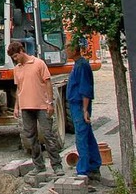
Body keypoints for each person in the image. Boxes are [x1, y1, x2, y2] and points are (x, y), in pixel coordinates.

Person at [7, 41, 64, 176]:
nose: (15, 60)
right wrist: (16, 107)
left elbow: (48, 82)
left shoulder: (38, 63)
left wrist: (50, 102)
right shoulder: (17, 69)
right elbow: (19, 88)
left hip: (41, 106)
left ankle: (57, 165)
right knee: (31, 137)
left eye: (15, 56)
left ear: (21, 51)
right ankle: (39, 165)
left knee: (48, 135)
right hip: (26, 108)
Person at [66, 42, 102, 181]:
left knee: (81, 136)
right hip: (76, 104)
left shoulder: (82, 65)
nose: (65, 51)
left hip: (80, 105)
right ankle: (94, 164)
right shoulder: (77, 65)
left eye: (67, 48)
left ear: (74, 50)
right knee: (87, 135)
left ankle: (83, 170)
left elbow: (85, 89)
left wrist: (85, 109)